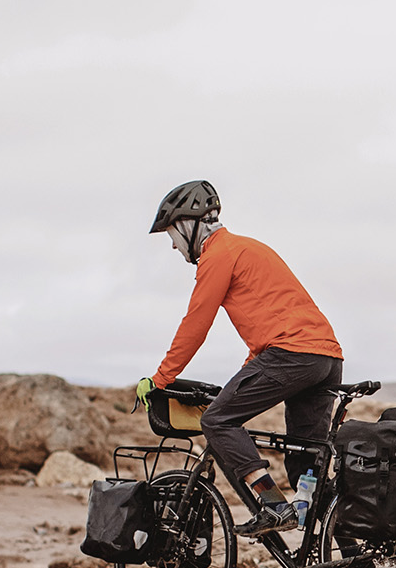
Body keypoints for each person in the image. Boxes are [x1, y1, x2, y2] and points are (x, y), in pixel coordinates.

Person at [135, 180, 344, 536]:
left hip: (291, 355)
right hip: (325, 359)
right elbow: (272, 321)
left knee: (217, 422)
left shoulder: (218, 254)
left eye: (172, 234)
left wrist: (160, 378)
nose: (172, 245)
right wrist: (244, 375)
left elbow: (196, 323)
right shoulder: (249, 248)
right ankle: (354, 556)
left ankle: (274, 506)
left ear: (190, 225)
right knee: (304, 468)